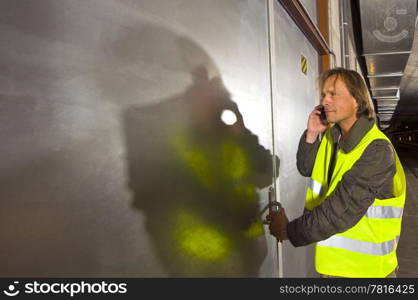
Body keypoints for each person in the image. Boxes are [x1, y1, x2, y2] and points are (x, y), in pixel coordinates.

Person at [268, 68, 406, 278]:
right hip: (334, 268)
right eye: (323, 95)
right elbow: (306, 168)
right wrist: (312, 134)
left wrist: (287, 231)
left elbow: (341, 211)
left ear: (357, 100)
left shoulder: (377, 150)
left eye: (333, 94)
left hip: (367, 273)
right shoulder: (333, 137)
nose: (325, 101)